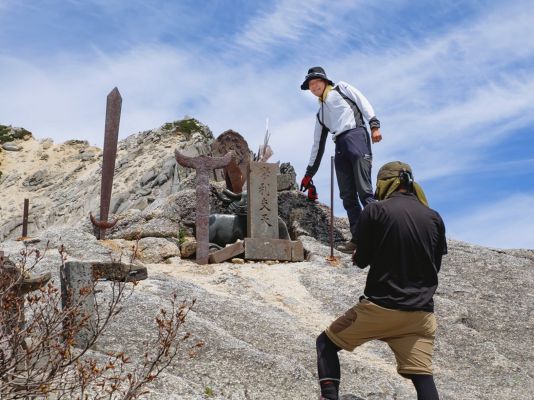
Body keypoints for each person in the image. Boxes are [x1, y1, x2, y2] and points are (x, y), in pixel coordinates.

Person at [316, 161, 447, 400]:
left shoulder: (375, 211)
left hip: (380, 309)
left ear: (384, 184)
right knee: (422, 377)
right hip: (419, 316)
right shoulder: (434, 217)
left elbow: (362, 260)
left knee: (326, 343)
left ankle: (329, 396)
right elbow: (434, 266)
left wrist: (362, 254)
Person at [299, 66, 383, 253]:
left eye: (316, 82)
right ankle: (358, 239)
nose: (314, 87)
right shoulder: (320, 114)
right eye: (310, 84)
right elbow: (317, 145)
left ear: (324, 81)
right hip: (340, 147)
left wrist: (374, 125)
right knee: (347, 196)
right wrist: (309, 174)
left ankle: (381, 234)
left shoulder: (341, 88)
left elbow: (363, 102)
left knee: (365, 192)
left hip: (356, 137)